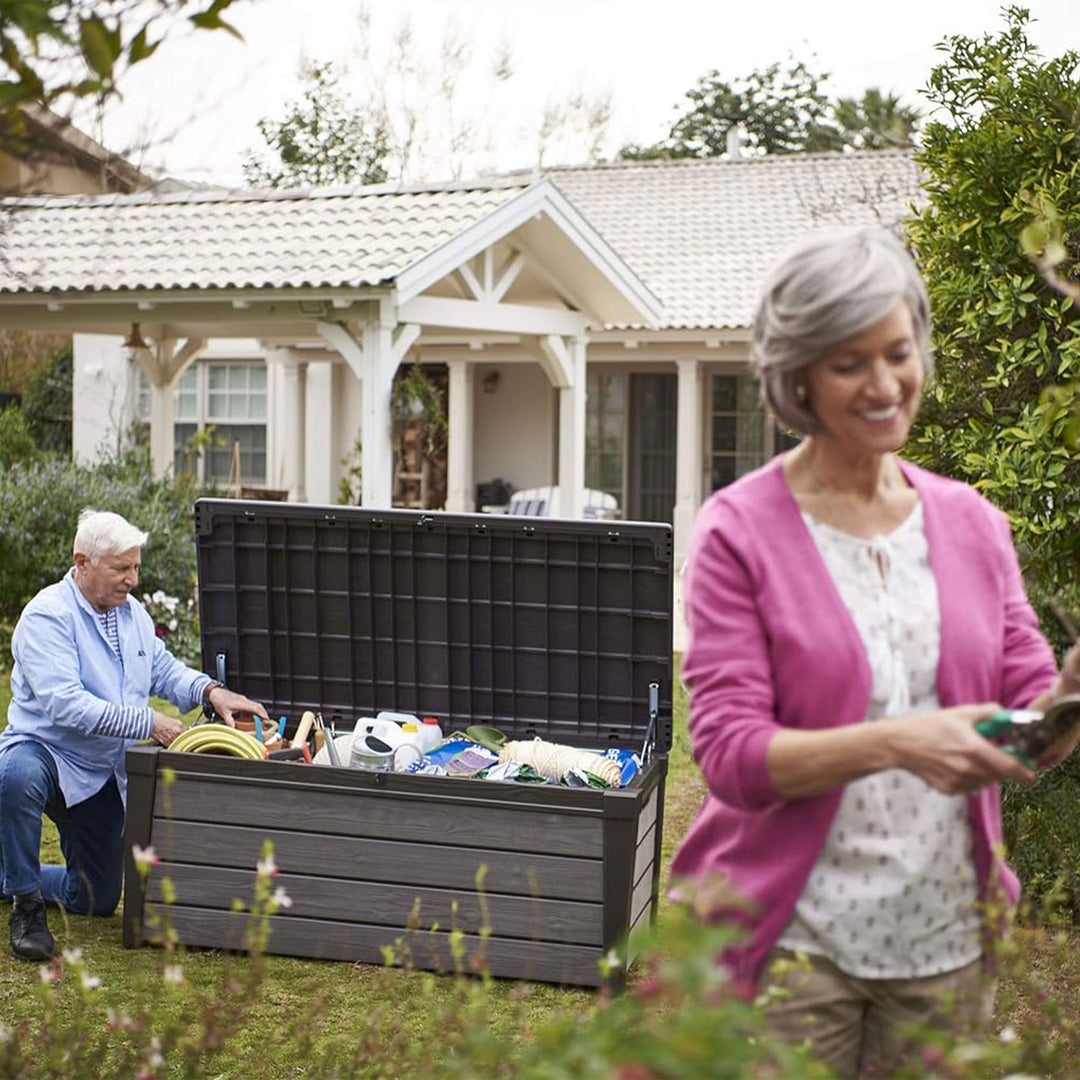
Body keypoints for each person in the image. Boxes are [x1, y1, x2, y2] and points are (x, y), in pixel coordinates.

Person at [669, 226, 1080, 1077]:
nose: (885, 383)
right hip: (791, 944)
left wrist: (1068, 700)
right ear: (800, 377)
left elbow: (1029, 729)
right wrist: (899, 741)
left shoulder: (971, 523)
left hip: (945, 944)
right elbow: (729, 758)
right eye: (850, 362)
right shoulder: (738, 532)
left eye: (898, 352)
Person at [0, 509, 267, 962]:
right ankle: (26, 907)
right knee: (14, 777)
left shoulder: (131, 614)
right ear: (82, 562)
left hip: (99, 771)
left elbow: (161, 669)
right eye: (121, 568)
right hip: (46, 751)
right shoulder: (47, 616)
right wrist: (149, 722)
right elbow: (66, 705)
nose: (133, 579)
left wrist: (211, 690)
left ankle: (7, 875)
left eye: (136, 567)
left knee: (95, 900)